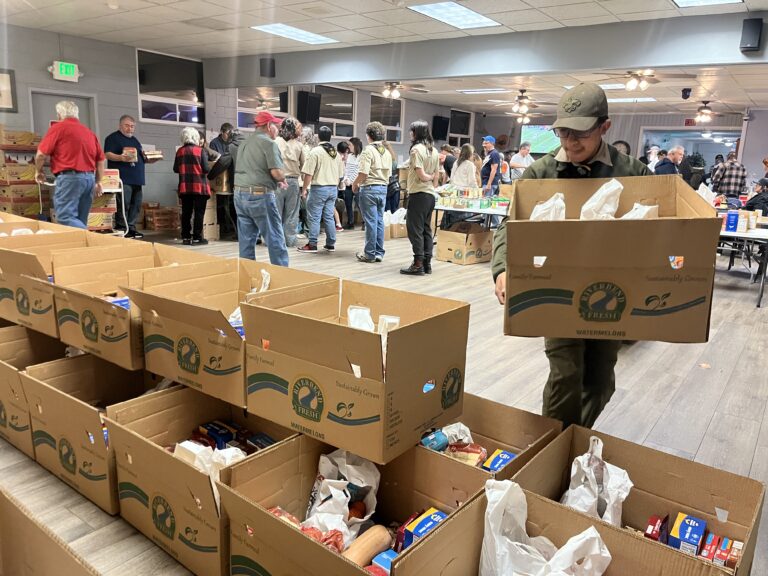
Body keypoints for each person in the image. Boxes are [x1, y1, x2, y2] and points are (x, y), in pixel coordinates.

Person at [492, 83, 651, 430]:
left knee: (600, 380)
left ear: (605, 127)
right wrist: (502, 268)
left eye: (581, 133)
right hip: (558, 291)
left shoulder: (633, 172)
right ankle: (553, 448)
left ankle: (573, 436)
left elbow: (659, 227)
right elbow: (510, 225)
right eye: (563, 132)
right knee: (565, 373)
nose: (570, 142)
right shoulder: (541, 173)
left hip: (612, 293)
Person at [34, 100, 105, 229]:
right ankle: (81, 247)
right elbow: (100, 160)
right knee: (80, 219)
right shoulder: (89, 133)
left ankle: (90, 238)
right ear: (77, 115)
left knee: (64, 216)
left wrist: (38, 171)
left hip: (70, 178)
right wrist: (98, 181)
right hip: (89, 179)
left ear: (59, 115)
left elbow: (40, 155)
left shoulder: (57, 129)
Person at [233, 110, 289, 266]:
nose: (278, 130)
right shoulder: (269, 143)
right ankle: (282, 276)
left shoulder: (244, 143)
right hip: (260, 197)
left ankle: (246, 277)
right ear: (269, 126)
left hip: (239, 195)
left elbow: (253, 169)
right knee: (275, 237)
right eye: (276, 126)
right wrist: (282, 178)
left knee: (246, 240)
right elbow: (277, 172)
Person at [103, 115, 159, 238]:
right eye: (127, 125)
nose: (130, 129)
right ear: (120, 125)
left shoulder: (135, 140)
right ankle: (122, 226)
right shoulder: (113, 138)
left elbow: (140, 158)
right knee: (124, 202)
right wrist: (120, 158)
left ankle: (131, 227)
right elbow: (107, 154)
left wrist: (150, 160)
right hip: (123, 178)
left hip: (137, 178)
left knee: (136, 203)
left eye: (132, 126)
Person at [401, 120, 439, 276]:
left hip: (418, 194)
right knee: (426, 230)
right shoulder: (434, 151)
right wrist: (431, 180)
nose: (410, 134)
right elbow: (437, 177)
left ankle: (417, 264)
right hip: (430, 195)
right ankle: (426, 263)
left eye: (412, 131)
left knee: (414, 230)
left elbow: (422, 175)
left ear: (416, 132)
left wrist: (427, 177)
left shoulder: (416, 150)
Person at [298, 126, 344, 254]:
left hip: (319, 189)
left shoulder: (316, 151)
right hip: (333, 189)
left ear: (318, 137)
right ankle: (330, 243)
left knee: (314, 217)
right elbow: (341, 175)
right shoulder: (336, 153)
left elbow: (308, 173)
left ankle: (312, 244)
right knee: (329, 216)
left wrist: (304, 189)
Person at [352, 122, 392, 264]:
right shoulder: (386, 152)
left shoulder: (368, 151)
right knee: (379, 221)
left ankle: (369, 254)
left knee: (370, 222)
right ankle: (379, 252)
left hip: (369, 189)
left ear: (368, 136)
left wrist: (355, 183)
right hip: (383, 188)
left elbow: (363, 173)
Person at [173, 127, 211, 245]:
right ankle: (197, 237)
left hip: (185, 187)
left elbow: (175, 169)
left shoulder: (180, 151)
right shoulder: (200, 151)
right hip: (199, 187)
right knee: (199, 212)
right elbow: (205, 169)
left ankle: (185, 237)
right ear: (196, 137)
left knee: (186, 212)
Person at [275, 117, 305, 248]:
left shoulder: (274, 142)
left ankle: (275, 241)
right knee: (292, 214)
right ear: (293, 129)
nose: (300, 130)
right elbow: (305, 166)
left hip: (276, 182)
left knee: (275, 213)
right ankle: (290, 241)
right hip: (293, 182)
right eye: (298, 127)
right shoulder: (299, 146)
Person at [342, 138, 362, 229]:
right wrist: (346, 179)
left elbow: (358, 171)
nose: (349, 147)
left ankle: (365, 223)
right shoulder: (349, 156)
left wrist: (351, 181)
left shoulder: (361, 157)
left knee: (360, 204)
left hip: (357, 184)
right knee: (348, 204)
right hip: (348, 184)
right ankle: (350, 223)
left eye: (350, 145)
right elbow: (347, 169)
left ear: (355, 145)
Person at [384, 141, 400, 214]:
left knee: (387, 212)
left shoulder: (384, 161)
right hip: (395, 187)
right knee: (394, 212)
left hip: (387, 187)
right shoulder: (394, 161)